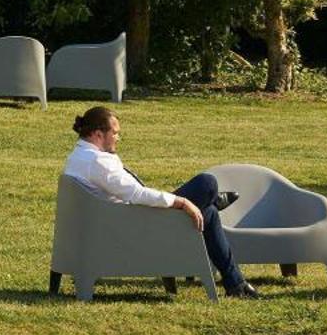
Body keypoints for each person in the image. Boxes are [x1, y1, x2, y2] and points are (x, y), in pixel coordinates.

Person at [62, 106, 257, 299]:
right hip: (136, 225)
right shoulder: (97, 161)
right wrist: (180, 202)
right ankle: (213, 200)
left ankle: (235, 283)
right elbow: (137, 194)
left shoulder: (79, 156)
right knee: (207, 183)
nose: (118, 138)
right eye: (115, 133)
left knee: (209, 214)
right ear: (98, 134)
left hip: (123, 219)